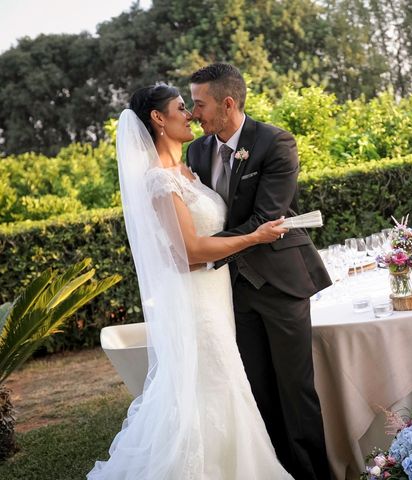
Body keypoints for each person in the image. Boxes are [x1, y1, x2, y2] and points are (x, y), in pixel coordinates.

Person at [87, 83, 294, 479]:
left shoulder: (189, 172)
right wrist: (255, 236)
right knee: (214, 386)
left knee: (221, 386)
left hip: (217, 296)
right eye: (181, 107)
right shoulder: (160, 181)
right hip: (196, 302)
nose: (191, 114)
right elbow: (190, 252)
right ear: (159, 119)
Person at [188, 63, 332, 480]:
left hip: (279, 283)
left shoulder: (274, 142)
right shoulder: (196, 152)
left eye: (200, 104)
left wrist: (203, 252)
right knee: (258, 395)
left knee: (296, 392)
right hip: (230, 291)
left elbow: (266, 220)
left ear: (227, 103)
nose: (195, 113)